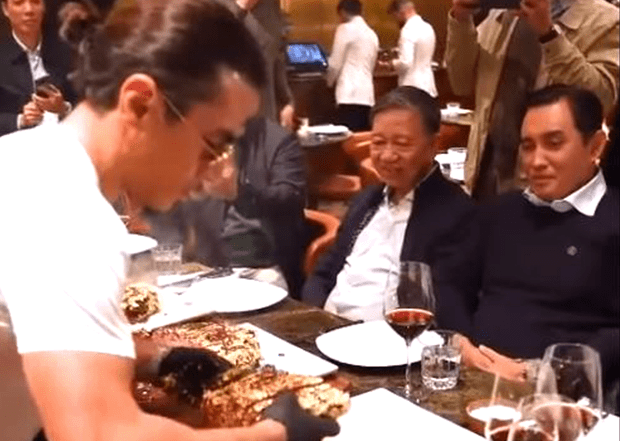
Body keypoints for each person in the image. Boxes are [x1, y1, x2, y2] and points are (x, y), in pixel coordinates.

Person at [0, 1, 339, 441]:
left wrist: (155, 357)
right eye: (214, 143)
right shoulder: (71, 214)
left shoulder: (28, 157)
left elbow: (29, 336)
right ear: (141, 103)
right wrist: (275, 432)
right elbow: (99, 434)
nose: (216, 169)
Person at [461, 85, 619, 411]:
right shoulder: (500, 212)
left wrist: (538, 373)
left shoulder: (613, 221)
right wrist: (458, 341)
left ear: (595, 146)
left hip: (560, 401)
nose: (536, 161)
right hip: (469, 380)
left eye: (554, 144)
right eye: (528, 146)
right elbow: (450, 282)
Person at [302, 86, 478, 332]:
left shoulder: (456, 213)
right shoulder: (366, 200)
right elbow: (324, 271)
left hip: (389, 340)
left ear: (433, 145)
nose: (387, 155)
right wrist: (313, 318)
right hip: (325, 330)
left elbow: (446, 307)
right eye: (378, 142)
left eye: (401, 144)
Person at [445, 0, 619, 199]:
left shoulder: (606, 20)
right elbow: (461, 84)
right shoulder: (502, 15)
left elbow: (601, 100)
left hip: (552, 190)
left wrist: (548, 34)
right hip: (485, 181)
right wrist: (461, 19)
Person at [145, 115, 307, 298]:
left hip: (260, 269)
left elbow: (290, 198)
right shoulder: (193, 136)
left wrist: (239, 191)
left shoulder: (277, 140)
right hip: (204, 268)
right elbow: (169, 205)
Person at [0, 0, 75, 137]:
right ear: (5, 9)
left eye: (35, 2)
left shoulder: (67, 50)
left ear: (43, 6)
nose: (29, 10)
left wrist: (63, 108)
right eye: (18, 3)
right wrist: (20, 120)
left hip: (65, 138)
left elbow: (90, 103)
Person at [231, 0, 296, 128]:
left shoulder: (270, 8)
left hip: (265, 114)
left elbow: (276, 55)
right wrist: (240, 9)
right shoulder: (214, 8)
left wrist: (286, 101)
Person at [325, 0, 379, 132]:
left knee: (347, 138)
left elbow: (335, 64)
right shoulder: (372, 34)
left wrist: (328, 83)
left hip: (348, 94)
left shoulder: (345, 29)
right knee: (361, 138)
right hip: (367, 95)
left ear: (342, 12)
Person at [385, 0, 437, 97]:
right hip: (428, 84)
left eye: (395, 16)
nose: (396, 19)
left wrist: (390, 64)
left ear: (400, 12)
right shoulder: (428, 27)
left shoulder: (407, 30)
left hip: (411, 86)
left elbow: (406, 63)